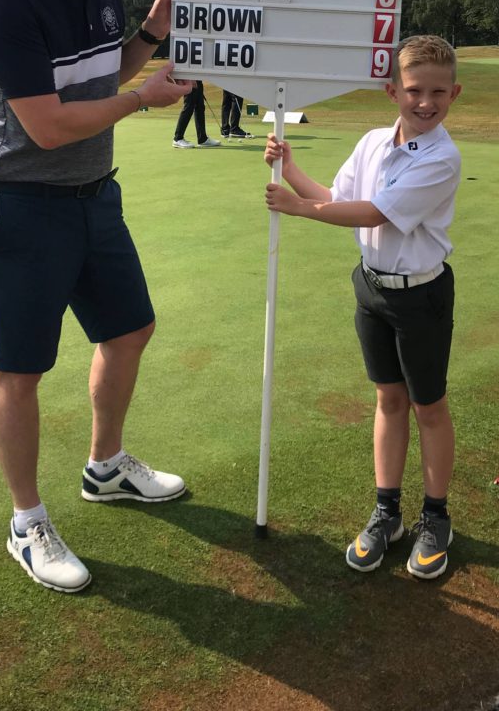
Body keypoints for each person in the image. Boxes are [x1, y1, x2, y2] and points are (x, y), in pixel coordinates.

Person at [0, 0, 194, 594]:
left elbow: (104, 76)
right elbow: (47, 124)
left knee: (129, 330)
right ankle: (26, 521)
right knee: (21, 369)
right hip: (24, 203)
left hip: (97, 195)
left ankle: (104, 467)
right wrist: (144, 100)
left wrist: (149, 38)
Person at [264, 35, 462, 581]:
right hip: (372, 289)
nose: (426, 102)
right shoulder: (374, 140)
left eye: (438, 92)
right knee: (389, 400)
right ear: (391, 89)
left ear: (455, 93)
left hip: (421, 295)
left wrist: (299, 208)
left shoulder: (443, 157)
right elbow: (336, 193)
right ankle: (387, 512)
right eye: (414, 90)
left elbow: (373, 214)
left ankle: (436, 517)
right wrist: (291, 165)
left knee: (429, 407)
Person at [172, 80, 220, 148]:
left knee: (200, 107)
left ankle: (202, 139)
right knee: (188, 107)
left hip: (197, 78)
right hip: (189, 78)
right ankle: (178, 138)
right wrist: (190, 79)